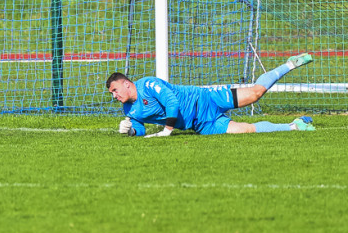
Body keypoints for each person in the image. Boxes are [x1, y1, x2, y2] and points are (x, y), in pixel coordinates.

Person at [107, 53, 317, 138]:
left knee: (255, 93)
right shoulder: (129, 109)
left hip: (206, 99)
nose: (114, 95)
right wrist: (131, 130)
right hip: (202, 124)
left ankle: (289, 64)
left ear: (126, 83)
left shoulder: (149, 84)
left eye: (115, 90)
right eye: (112, 93)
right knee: (246, 130)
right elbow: (141, 128)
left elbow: (171, 103)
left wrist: (167, 130)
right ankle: (294, 126)